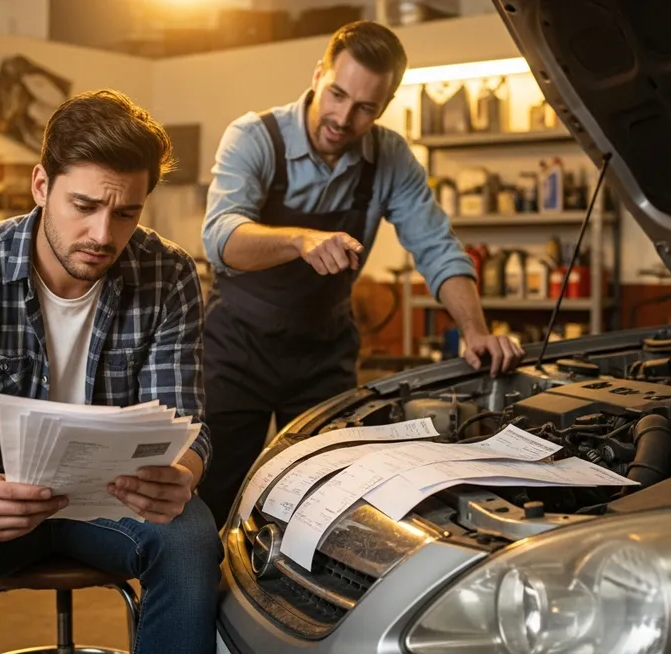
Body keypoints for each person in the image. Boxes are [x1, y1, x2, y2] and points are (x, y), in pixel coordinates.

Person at [0, 89, 222, 654]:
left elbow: (188, 424)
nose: (102, 234)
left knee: (190, 539)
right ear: (41, 186)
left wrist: (182, 475)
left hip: (119, 503)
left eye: (126, 213)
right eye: (84, 206)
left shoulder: (169, 274)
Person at [197, 20, 524, 527]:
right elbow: (221, 238)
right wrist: (299, 240)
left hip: (322, 354)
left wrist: (476, 330)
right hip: (237, 351)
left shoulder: (390, 157)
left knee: (322, 502)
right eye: (336, 94)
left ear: (386, 105)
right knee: (210, 496)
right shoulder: (254, 137)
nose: (343, 118)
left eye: (365, 107)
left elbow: (436, 246)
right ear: (317, 74)